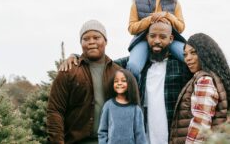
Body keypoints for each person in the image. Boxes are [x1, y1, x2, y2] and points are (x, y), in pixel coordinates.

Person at [59, 21, 192, 144]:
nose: (156, 41)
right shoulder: (136, 65)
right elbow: (102, 63)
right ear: (147, 38)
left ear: (171, 39)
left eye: (162, 37)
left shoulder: (180, 67)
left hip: (172, 136)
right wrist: (75, 56)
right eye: (152, 36)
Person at [46, 19, 121, 144]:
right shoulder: (68, 71)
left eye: (96, 37)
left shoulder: (118, 73)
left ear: (105, 41)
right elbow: (55, 111)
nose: (91, 42)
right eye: (86, 39)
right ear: (81, 43)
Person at [127, 0, 185, 81]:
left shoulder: (174, 2)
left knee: (190, 57)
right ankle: (134, 97)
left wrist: (167, 15)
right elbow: (131, 28)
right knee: (133, 66)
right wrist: (150, 19)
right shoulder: (137, 2)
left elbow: (180, 27)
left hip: (168, 41)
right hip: (142, 40)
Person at [170, 33, 230, 144]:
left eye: (193, 53)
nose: (188, 58)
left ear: (205, 54)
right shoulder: (214, 77)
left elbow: (200, 125)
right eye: (185, 54)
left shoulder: (204, 81)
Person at [98, 69, 147, 144]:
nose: (119, 83)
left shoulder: (136, 109)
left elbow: (140, 135)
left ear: (130, 83)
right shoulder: (108, 105)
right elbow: (102, 131)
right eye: (116, 81)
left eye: (123, 81)